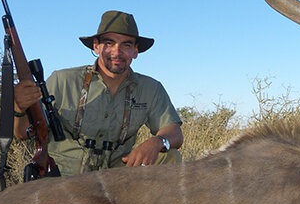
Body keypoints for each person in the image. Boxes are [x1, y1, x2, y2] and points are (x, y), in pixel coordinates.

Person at [13, 10, 183, 176]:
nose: (117, 52)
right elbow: (21, 134)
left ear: (135, 51)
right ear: (96, 46)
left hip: (116, 176)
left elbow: (174, 131)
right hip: (64, 178)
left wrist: (157, 142)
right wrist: (19, 107)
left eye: (126, 44)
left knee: (171, 157)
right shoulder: (62, 80)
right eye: (109, 43)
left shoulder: (150, 88)